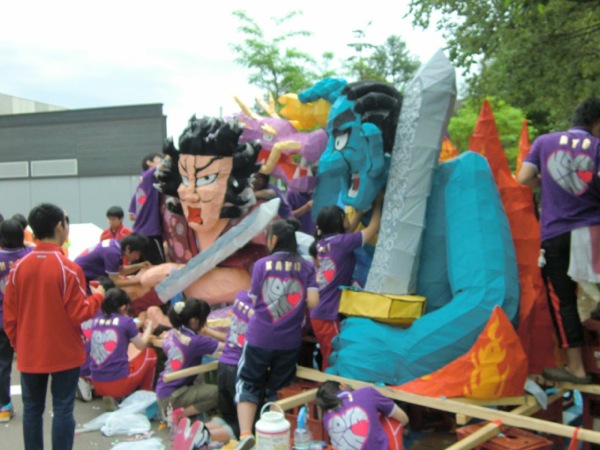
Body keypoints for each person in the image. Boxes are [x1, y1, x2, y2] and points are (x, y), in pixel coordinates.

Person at [3, 203, 105, 450]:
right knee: (62, 409)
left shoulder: (19, 268)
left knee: (32, 409)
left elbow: (10, 317)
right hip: (64, 352)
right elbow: (80, 312)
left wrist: (19, 344)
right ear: (60, 226)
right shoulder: (69, 268)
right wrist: (99, 296)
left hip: (30, 351)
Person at [517, 96, 600, 384]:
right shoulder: (597, 145)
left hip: (556, 233)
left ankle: (576, 368)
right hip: (593, 230)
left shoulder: (545, 142)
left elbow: (523, 178)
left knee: (563, 301)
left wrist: (546, 184)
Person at [235, 219, 319, 450]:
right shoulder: (307, 266)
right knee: (279, 388)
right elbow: (313, 301)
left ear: (273, 240)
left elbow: (254, 299)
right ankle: (272, 438)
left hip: (259, 337)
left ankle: (245, 435)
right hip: (289, 341)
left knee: (248, 382)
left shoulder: (261, 264)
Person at [311, 195, 383, 370]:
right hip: (328, 315)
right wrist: (378, 204)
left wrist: (360, 212)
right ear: (338, 223)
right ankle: (330, 386)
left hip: (319, 312)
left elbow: (348, 230)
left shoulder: (324, 242)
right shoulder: (342, 243)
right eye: (345, 217)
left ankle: (326, 383)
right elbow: (373, 228)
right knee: (335, 357)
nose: (348, 220)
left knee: (328, 355)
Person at [89, 287, 156, 410]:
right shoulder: (126, 322)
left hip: (96, 381)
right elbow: (141, 345)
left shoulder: (96, 320)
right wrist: (149, 328)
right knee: (150, 354)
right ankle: (147, 397)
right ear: (123, 307)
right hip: (118, 383)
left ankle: (113, 396)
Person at [155, 298, 224, 418]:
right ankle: (177, 416)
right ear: (194, 321)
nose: (205, 322)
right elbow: (230, 344)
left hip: (163, 390)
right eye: (204, 319)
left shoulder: (175, 331)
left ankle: (178, 413)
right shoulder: (196, 341)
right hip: (172, 396)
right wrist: (209, 332)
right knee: (217, 393)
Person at [0, 219, 32, 421]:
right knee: (30, 363)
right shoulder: (29, 256)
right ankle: (33, 405)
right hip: (26, 318)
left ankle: (3, 406)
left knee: (2, 363)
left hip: (2, 318)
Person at [316, 380, 409, 450]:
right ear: (342, 386)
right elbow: (403, 418)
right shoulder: (367, 392)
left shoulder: (326, 418)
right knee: (391, 419)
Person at [217, 290, 254, 439]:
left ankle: (199, 430)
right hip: (238, 369)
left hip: (223, 364)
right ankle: (206, 435)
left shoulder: (241, 296)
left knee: (228, 418)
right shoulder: (262, 308)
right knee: (246, 425)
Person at [74, 232, 150, 288]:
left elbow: (120, 270)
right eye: (138, 253)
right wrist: (140, 281)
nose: (137, 258)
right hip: (79, 278)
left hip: (80, 274)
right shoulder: (113, 253)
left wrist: (140, 265)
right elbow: (115, 282)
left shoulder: (115, 245)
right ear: (128, 248)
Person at [130, 155, 166, 265]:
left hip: (138, 233)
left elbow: (132, 215)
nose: (161, 161)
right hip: (150, 233)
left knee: (142, 267)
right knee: (159, 267)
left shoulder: (140, 186)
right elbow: (164, 164)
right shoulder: (149, 176)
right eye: (159, 159)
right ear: (149, 163)